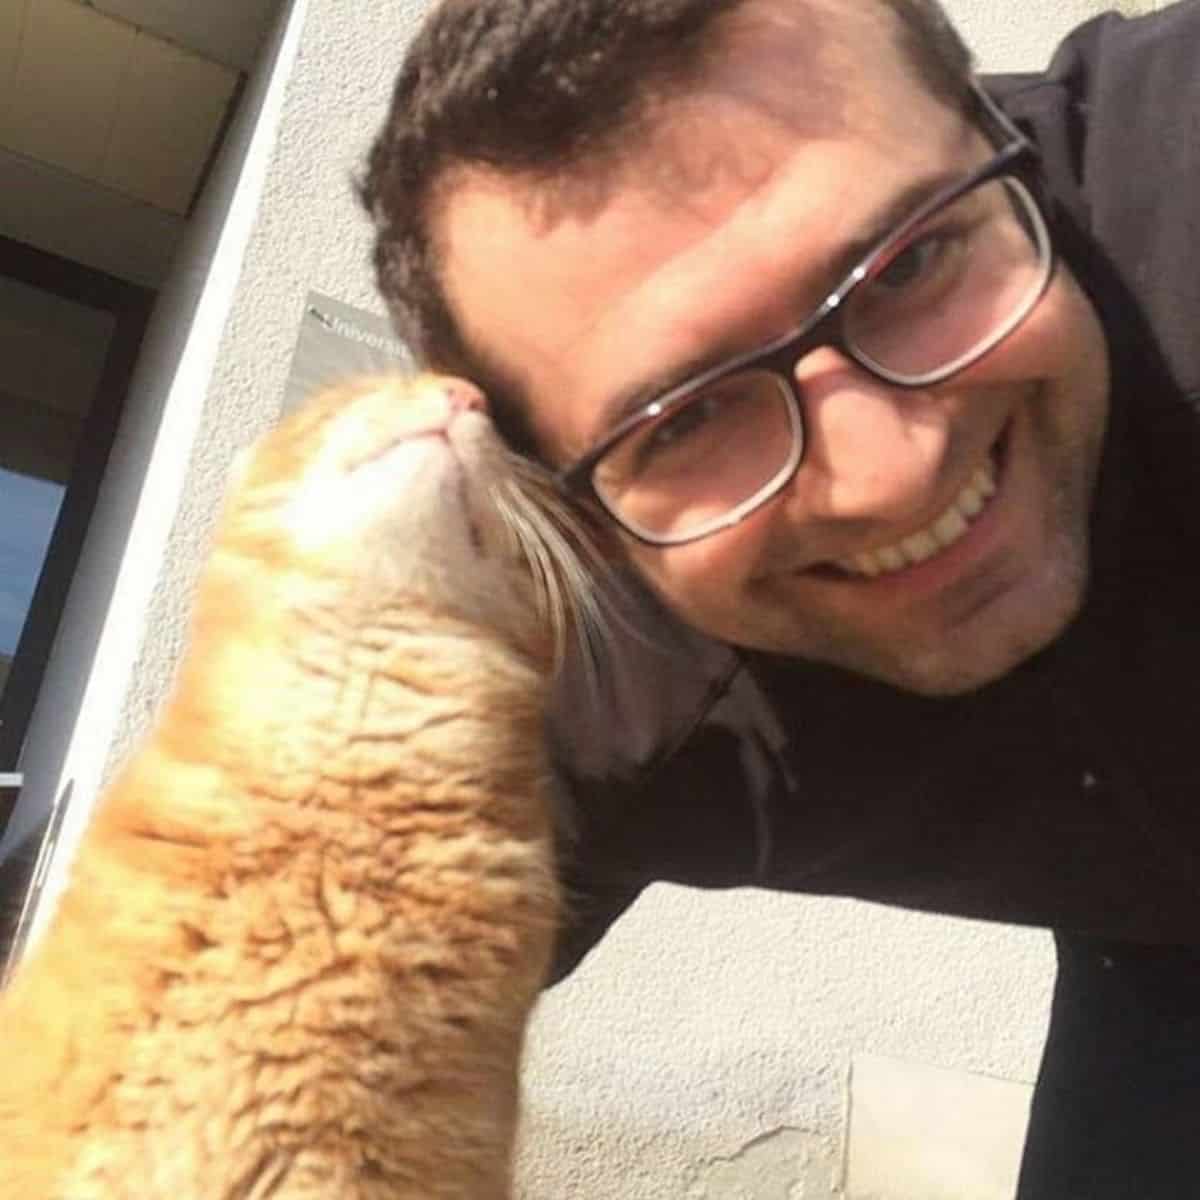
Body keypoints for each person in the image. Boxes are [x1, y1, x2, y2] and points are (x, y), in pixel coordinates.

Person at [359, 0, 1200, 1193]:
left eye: (909, 259)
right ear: (572, 520)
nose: (891, 471)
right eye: (687, 415)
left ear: (986, 128)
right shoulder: (587, 694)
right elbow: (220, 1079)